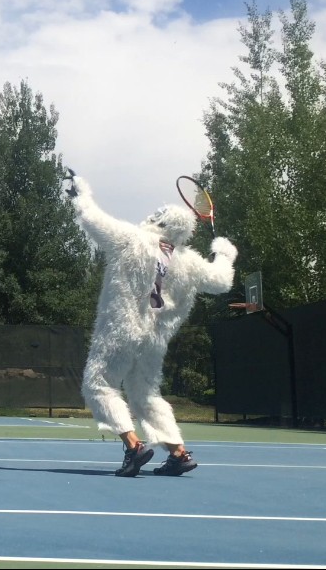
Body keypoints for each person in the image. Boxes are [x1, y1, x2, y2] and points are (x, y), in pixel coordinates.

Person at [64, 171, 237, 477]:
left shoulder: (131, 239)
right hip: (155, 340)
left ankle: (133, 447)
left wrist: (81, 193)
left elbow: (92, 219)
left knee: (98, 385)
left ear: (159, 220)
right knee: (145, 394)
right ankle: (179, 454)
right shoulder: (192, 263)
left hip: (121, 329)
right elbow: (222, 281)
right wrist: (224, 252)